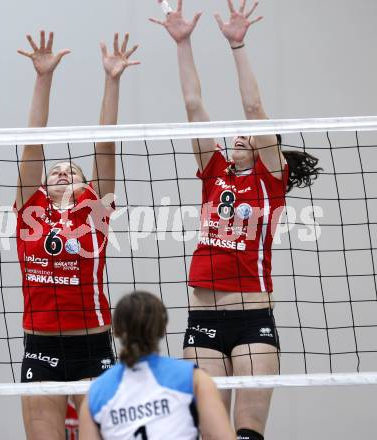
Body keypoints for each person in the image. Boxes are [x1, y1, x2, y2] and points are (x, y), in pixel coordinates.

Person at [150, 1, 322, 439]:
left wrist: (237, 44)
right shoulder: (215, 173)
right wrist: (183, 42)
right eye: (239, 134)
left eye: (254, 136)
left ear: (272, 151)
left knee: (247, 432)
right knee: (207, 433)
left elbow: (254, 106)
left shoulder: (270, 180)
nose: (241, 134)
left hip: (251, 318)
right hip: (201, 319)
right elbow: (193, 105)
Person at [15, 30, 139, 440]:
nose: (63, 171)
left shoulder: (94, 215)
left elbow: (106, 146)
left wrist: (112, 80)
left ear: (87, 185)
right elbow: (32, 147)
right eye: (57, 170)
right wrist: (42, 78)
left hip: (92, 345)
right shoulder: (30, 211)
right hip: (41, 346)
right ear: (43, 186)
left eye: (74, 170)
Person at [80, 291, 236, 440]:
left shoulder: (95, 393)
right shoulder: (193, 378)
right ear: (163, 329)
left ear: (116, 331)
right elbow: (220, 436)